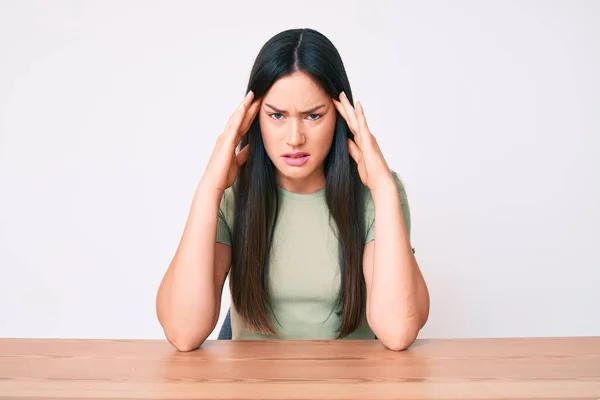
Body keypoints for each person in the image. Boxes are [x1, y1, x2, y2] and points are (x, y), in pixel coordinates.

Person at [156, 28, 430, 352]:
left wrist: (384, 190)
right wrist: (209, 190)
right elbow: (183, 332)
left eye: (313, 116)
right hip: (254, 386)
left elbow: (398, 331)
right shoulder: (231, 193)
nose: (295, 137)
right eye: (277, 116)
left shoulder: (376, 194)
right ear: (253, 117)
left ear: (340, 115)